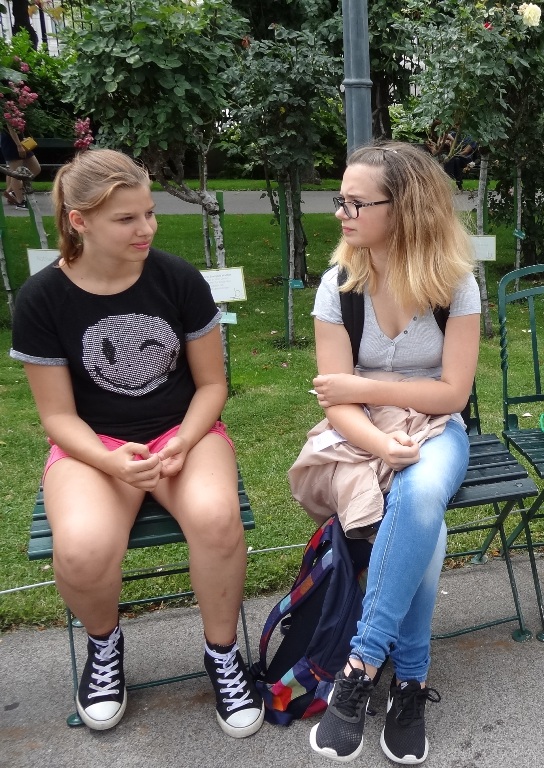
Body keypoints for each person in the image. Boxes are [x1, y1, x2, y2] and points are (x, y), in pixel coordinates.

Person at [8, 149, 264, 737]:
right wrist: (109, 460)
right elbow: (57, 416)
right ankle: (104, 647)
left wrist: (185, 441)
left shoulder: (177, 279)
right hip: (94, 445)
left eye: (149, 213)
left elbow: (212, 385)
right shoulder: (42, 299)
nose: (146, 228)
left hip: (183, 432)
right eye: (126, 219)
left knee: (216, 517)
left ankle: (223, 654)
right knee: (82, 548)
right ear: (79, 221)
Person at [307, 141, 480, 764]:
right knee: (425, 523)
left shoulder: (455, 285)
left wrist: (364, 386)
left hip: (438, 426)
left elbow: (453, 394)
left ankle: (359, 667)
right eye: (341, 199)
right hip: (359, 433)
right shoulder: (339, 285)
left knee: (421, 492)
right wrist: (381, 441)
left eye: (356, 202)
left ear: (404, 209)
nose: (341, 212)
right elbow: (335, 403)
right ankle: (410, 680)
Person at [1, 123, 40, 209]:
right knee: (16, 172)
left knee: (36, 168)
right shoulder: (8, 114)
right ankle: (21, 202)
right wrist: (18, 146)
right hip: (12, 142)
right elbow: (10, 126)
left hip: (22, 140)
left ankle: (12, 191)